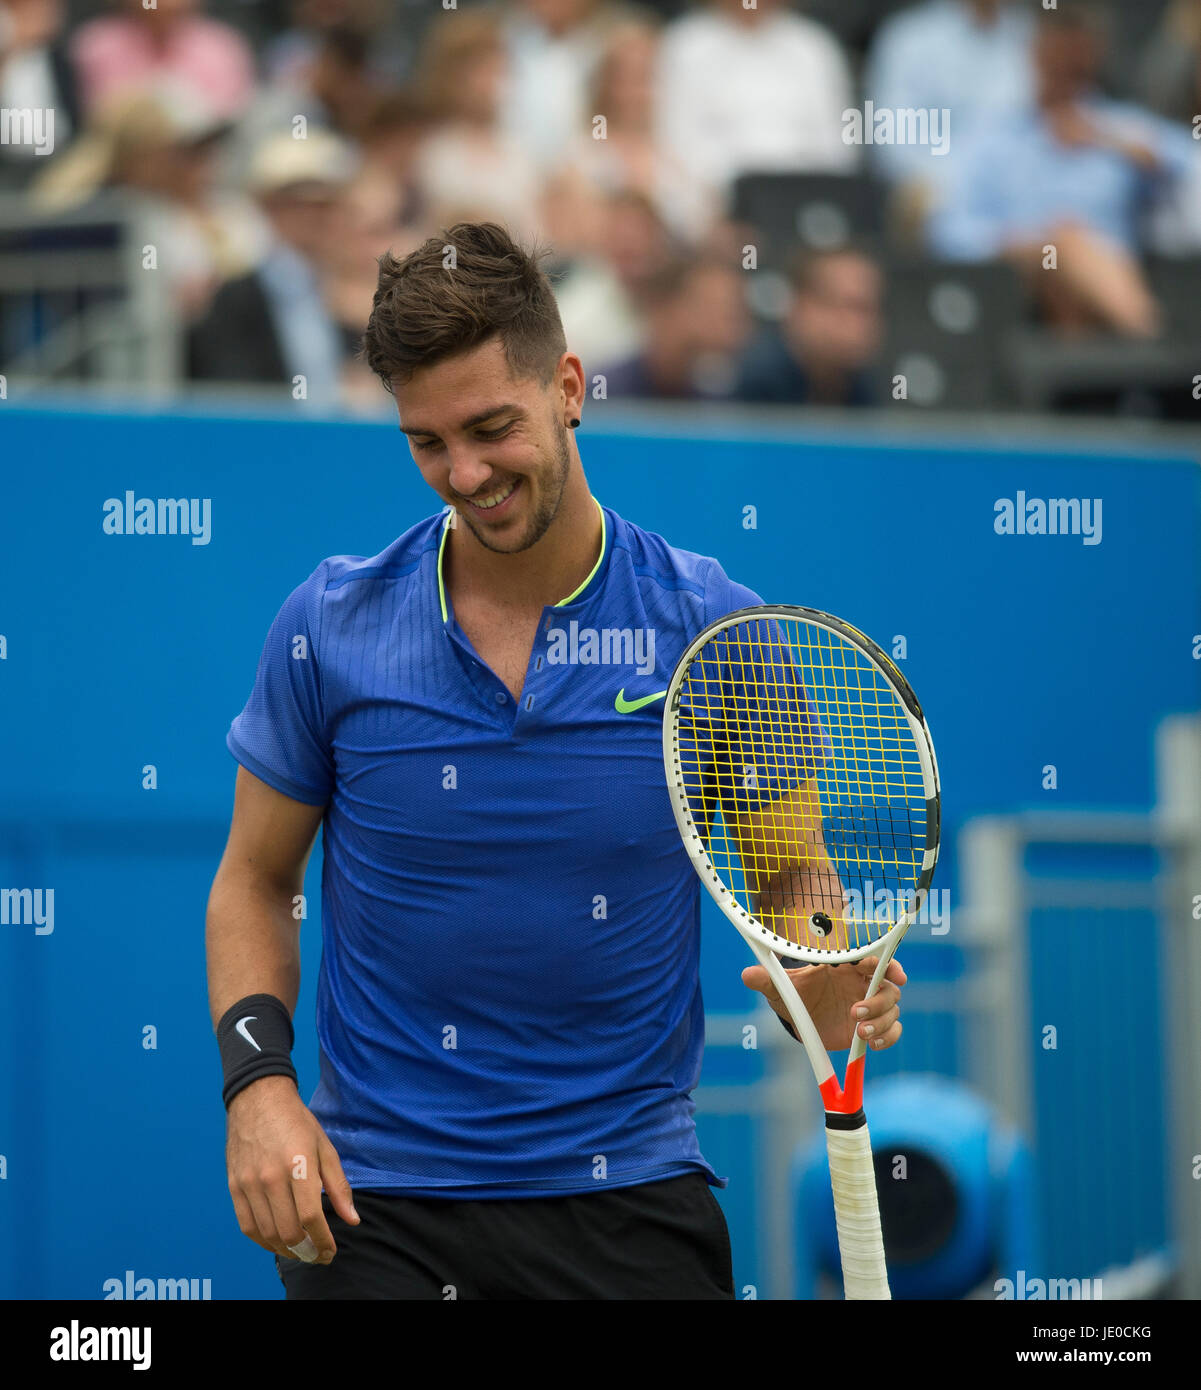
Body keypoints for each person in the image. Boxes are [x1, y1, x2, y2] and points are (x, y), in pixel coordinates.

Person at [206, 221, 908, 1300]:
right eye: (427, 443)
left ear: (570, 384)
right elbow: (255, 878)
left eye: (492, 427)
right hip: (382, 1213)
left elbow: (789, 877)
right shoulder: (329, 624)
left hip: (629, 1203)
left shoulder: (714, 629)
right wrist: (258, 1089)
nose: (466, 473)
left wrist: (822, 961)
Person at [928, 3, 1195, 338]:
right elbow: (947, 231)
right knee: (1064, 243)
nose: (1067, 77)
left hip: (1112, 277)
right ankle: (1153, 341)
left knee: (1071, 251)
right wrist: (1026, 244)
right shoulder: (994, 139)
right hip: (1022, 285)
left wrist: (1108, 140)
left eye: (1077, 67)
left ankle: (1107, 361)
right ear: (1036, 55)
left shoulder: (1120, 127)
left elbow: (1190, 162)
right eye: (1058, 63)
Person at [187, 130, 354, 402]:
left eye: (326, 205)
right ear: (269, 207)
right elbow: (232, 392)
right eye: (298, 204)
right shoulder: (235, 298)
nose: (315, 217)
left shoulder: (346, 289)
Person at [655, 0, 856, 204]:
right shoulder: (684, 46)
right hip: (711, 206)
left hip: (802, 204)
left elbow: (837, 150)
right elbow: (672, 143)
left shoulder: (815, 48)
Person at [737, 247, 881, 408]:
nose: (858, 323)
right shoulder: (747, 385)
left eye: (867, 309)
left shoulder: (865, 391)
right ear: (798, 305)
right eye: (842, 305)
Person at [599, 253, 750, 400]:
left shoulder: (720, 394)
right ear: (664, 307)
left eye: (733, 307)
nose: (730, 317)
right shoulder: (605, 392)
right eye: (710, 305)